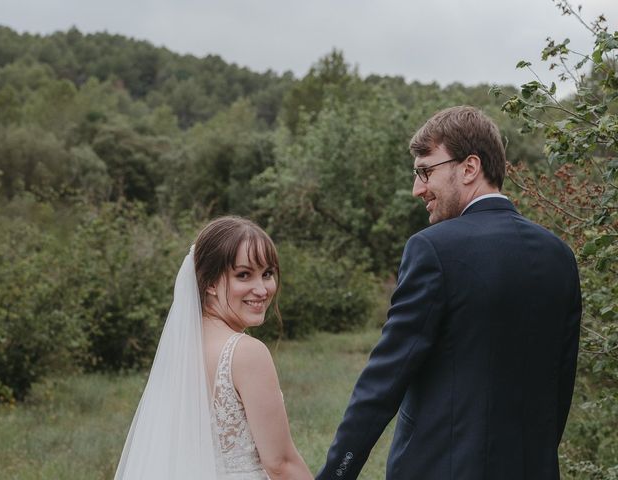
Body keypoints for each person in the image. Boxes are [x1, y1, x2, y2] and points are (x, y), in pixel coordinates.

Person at [316, 106, 581, 480]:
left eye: (426, 171)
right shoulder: (559, 256)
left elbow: (384, 381)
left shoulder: (433, 249)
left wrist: (336, 473)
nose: (417, 188)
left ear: (469, 168)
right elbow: (559, 390)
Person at [115, 216, 312, 480]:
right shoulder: (246, 353)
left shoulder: (182, 348)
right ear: (209, 282)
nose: (262, 289)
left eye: (267, 274)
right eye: (243, 275)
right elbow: (280, 463)